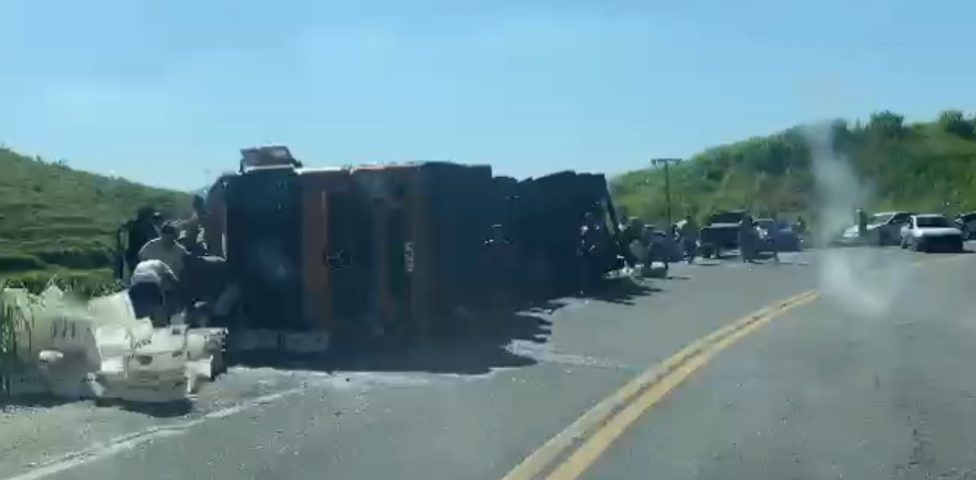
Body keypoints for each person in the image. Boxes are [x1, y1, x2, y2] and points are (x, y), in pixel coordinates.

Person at [128, 259, 180, 326]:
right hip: (152, 282)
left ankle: (138, 321)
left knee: (135, 306)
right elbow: (170, 275)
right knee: (159, 303)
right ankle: (160, 321)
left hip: (136, 285)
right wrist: (178, 285)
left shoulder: (140, 264)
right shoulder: (160, 263)